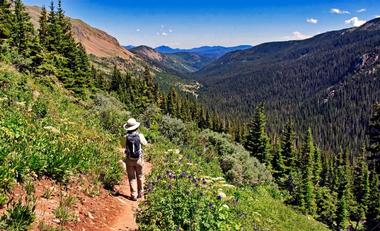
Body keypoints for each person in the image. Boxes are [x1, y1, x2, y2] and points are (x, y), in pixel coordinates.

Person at [123, 118, 148, 201]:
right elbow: (145, 143)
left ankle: (133, 195)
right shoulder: (140, 136)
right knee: (140, 175)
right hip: (139, 159)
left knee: (131, 177)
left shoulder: (125, 137)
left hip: (129, 159)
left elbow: (123, 145)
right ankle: (141, 193)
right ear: (136, 127)